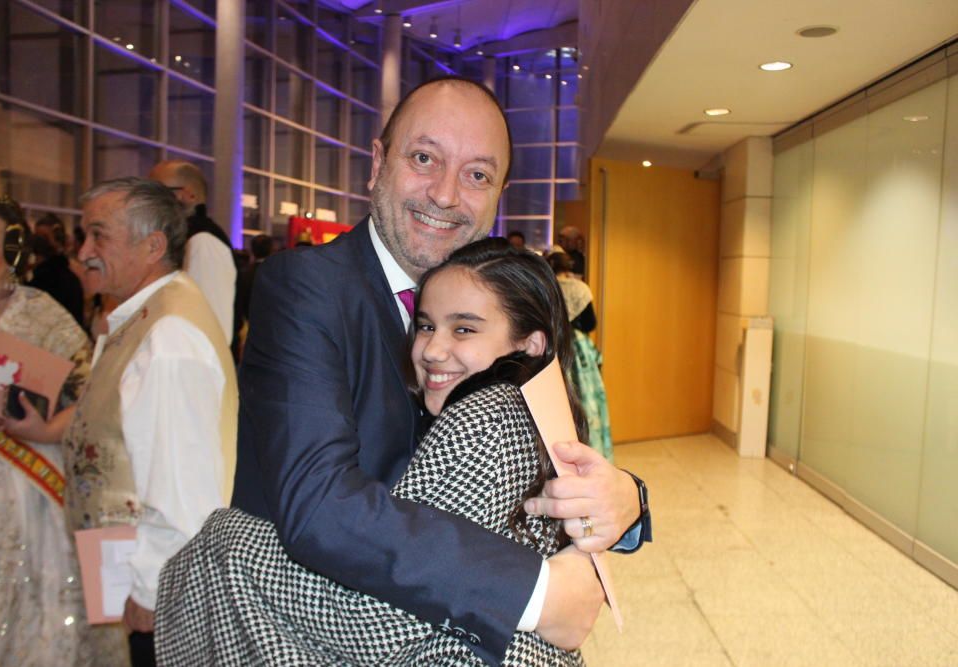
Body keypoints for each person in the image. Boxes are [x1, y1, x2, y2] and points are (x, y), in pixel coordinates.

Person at [230, 76, 649, 665]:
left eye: (477, 174)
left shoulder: (494, 302)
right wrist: (535, 593)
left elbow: (540, 446)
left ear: (499, 193)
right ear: (378, 163)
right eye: (424, 158)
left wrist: (627, 501)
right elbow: (321, 504)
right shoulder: (308, 288)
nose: (447, 195)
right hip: (312, 635)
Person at [158, 238, 594, 665]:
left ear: (529, 345)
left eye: (464, 328)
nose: (433, 350)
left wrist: (228, 540)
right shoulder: (540, 408)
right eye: (425, 326)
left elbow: (385, 621)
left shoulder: (484, 416)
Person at [58, 178, 238, 666]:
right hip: (117, 555)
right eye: (83, 236)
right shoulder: (144, 318)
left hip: (146, 580)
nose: (85, 251)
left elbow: (184, 484)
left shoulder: (169, 336)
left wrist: (152, 588)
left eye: (99, 236)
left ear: (153, 245)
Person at [0, 200, 127, 666]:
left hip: (28, 496)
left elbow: (96, 395)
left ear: (12, 252)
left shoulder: (41, 314)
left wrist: (46, 427)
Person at [149, 160, 237, 345]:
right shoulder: (182, 239)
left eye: (157, 193)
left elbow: (214, 328)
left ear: (188, 195)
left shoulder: (203, 241)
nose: (148, 201)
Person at [548, 251, 613, 461]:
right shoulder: (580, 289)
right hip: (578, 349)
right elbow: (589, 323)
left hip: (553, 347)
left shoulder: (546, 287)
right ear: (569, 268)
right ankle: (591, 450)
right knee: (586, 398)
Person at [29, 213, 85, 325]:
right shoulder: (35, 272)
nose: (39, 242)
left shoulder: (63, 278)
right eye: (37, 237)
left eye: (44, 238)